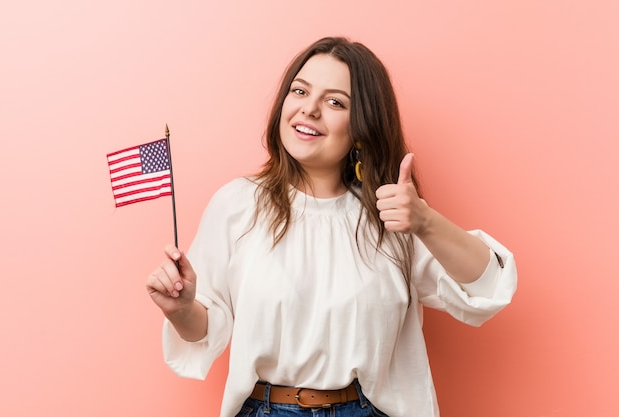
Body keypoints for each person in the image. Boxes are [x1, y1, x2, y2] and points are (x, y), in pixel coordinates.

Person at [146, 36, 517, 417]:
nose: (309, 109)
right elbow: (207, 332)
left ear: (361, 126)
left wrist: (425, 220)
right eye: (300, 91)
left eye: (335, 101)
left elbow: (487, 288)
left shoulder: (390, 212)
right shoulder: (238, 203)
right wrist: (182, 308)